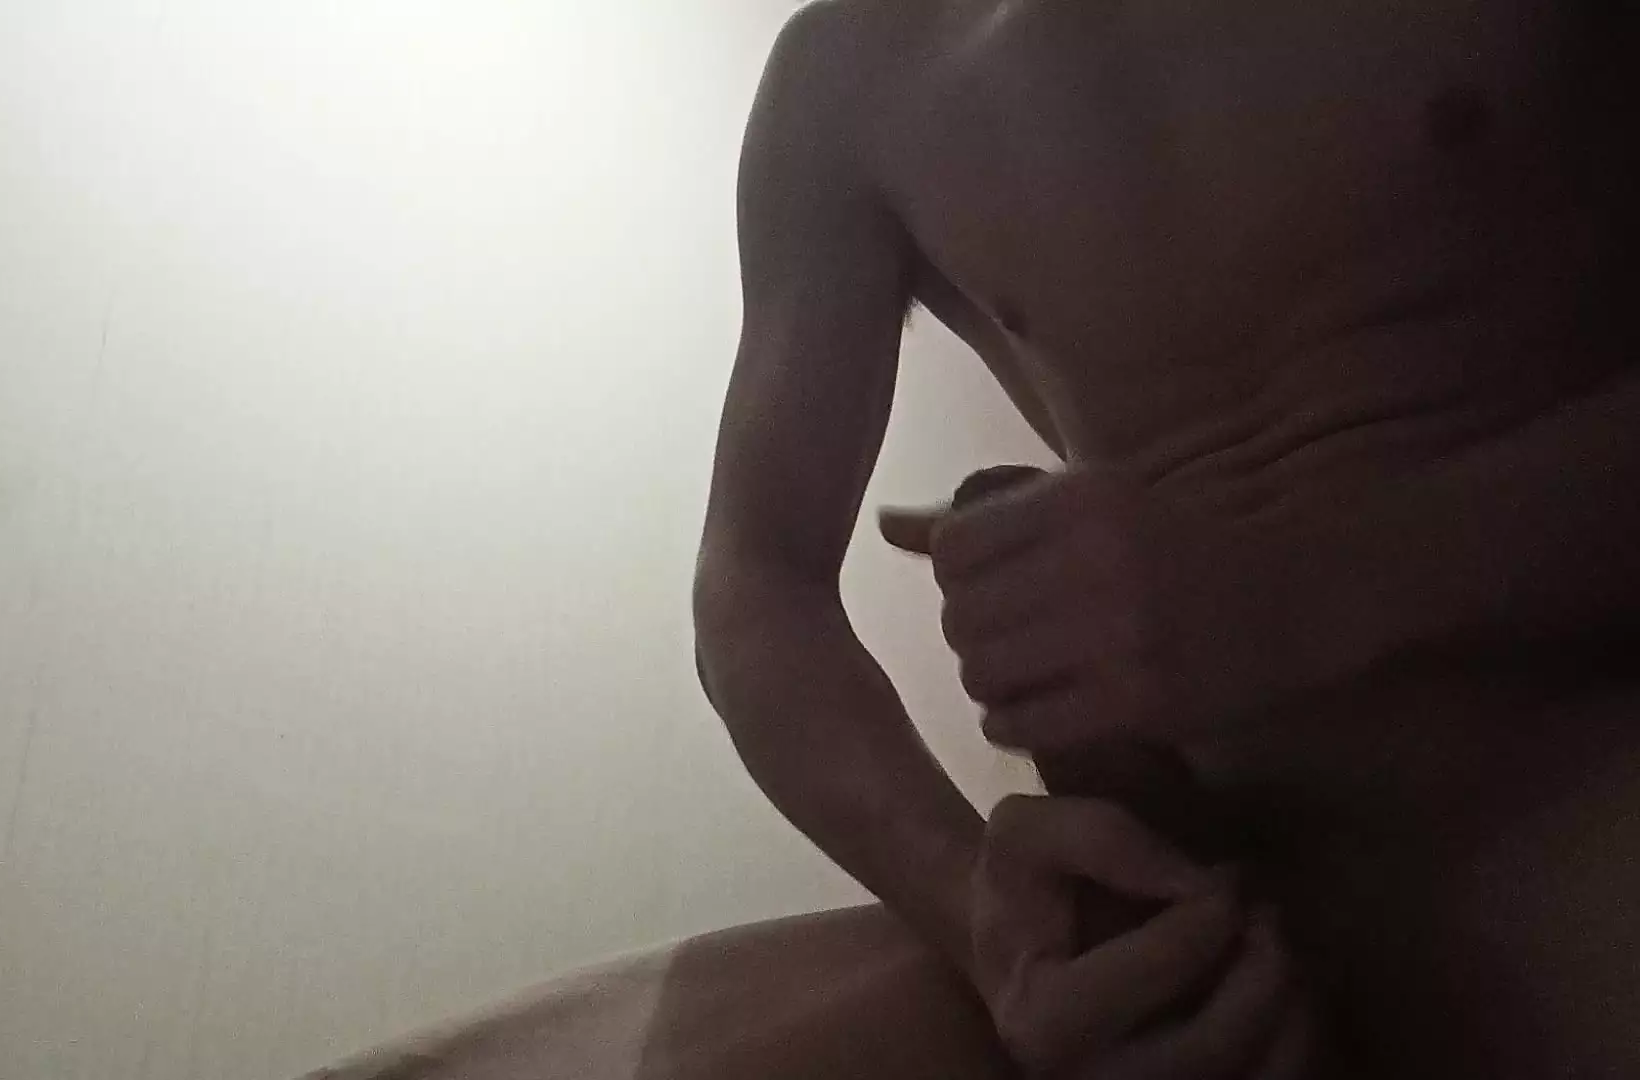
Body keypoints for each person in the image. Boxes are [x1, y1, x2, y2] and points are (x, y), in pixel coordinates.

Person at [694, 1, 1640, 1076]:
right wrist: (976, 910)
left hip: (1577, 771)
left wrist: (1312, 591)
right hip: (1193, 872)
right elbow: (754, 583)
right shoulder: (848, 71)